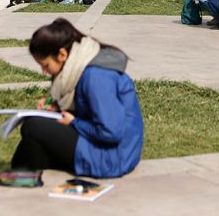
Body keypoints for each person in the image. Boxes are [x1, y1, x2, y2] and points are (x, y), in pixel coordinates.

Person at [10, 18, 143, 178]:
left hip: (112, 157)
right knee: (31, 144)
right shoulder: (80, 67)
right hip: (105, 149)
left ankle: (22, 175)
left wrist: (73, 122)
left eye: (45, 65)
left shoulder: (96, 77)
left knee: (33, 126)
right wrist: (56, 109)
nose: (44, 72)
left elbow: (110, 132)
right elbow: (89, 109)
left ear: (62, 54)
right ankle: (24, 174)